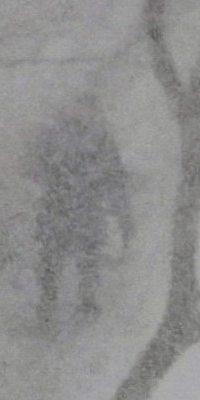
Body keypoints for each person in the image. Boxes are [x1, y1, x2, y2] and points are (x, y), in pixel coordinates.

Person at [31, 101, 134, 326]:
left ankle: (66, 308)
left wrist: (123, 216)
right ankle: (70, 308)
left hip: (66, 209)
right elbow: (114, 179)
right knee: (67, 259)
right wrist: (123, 217)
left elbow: (114, 179)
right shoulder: (95, 136)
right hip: (73, 209)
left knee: (65, 259)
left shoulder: (55, 134)